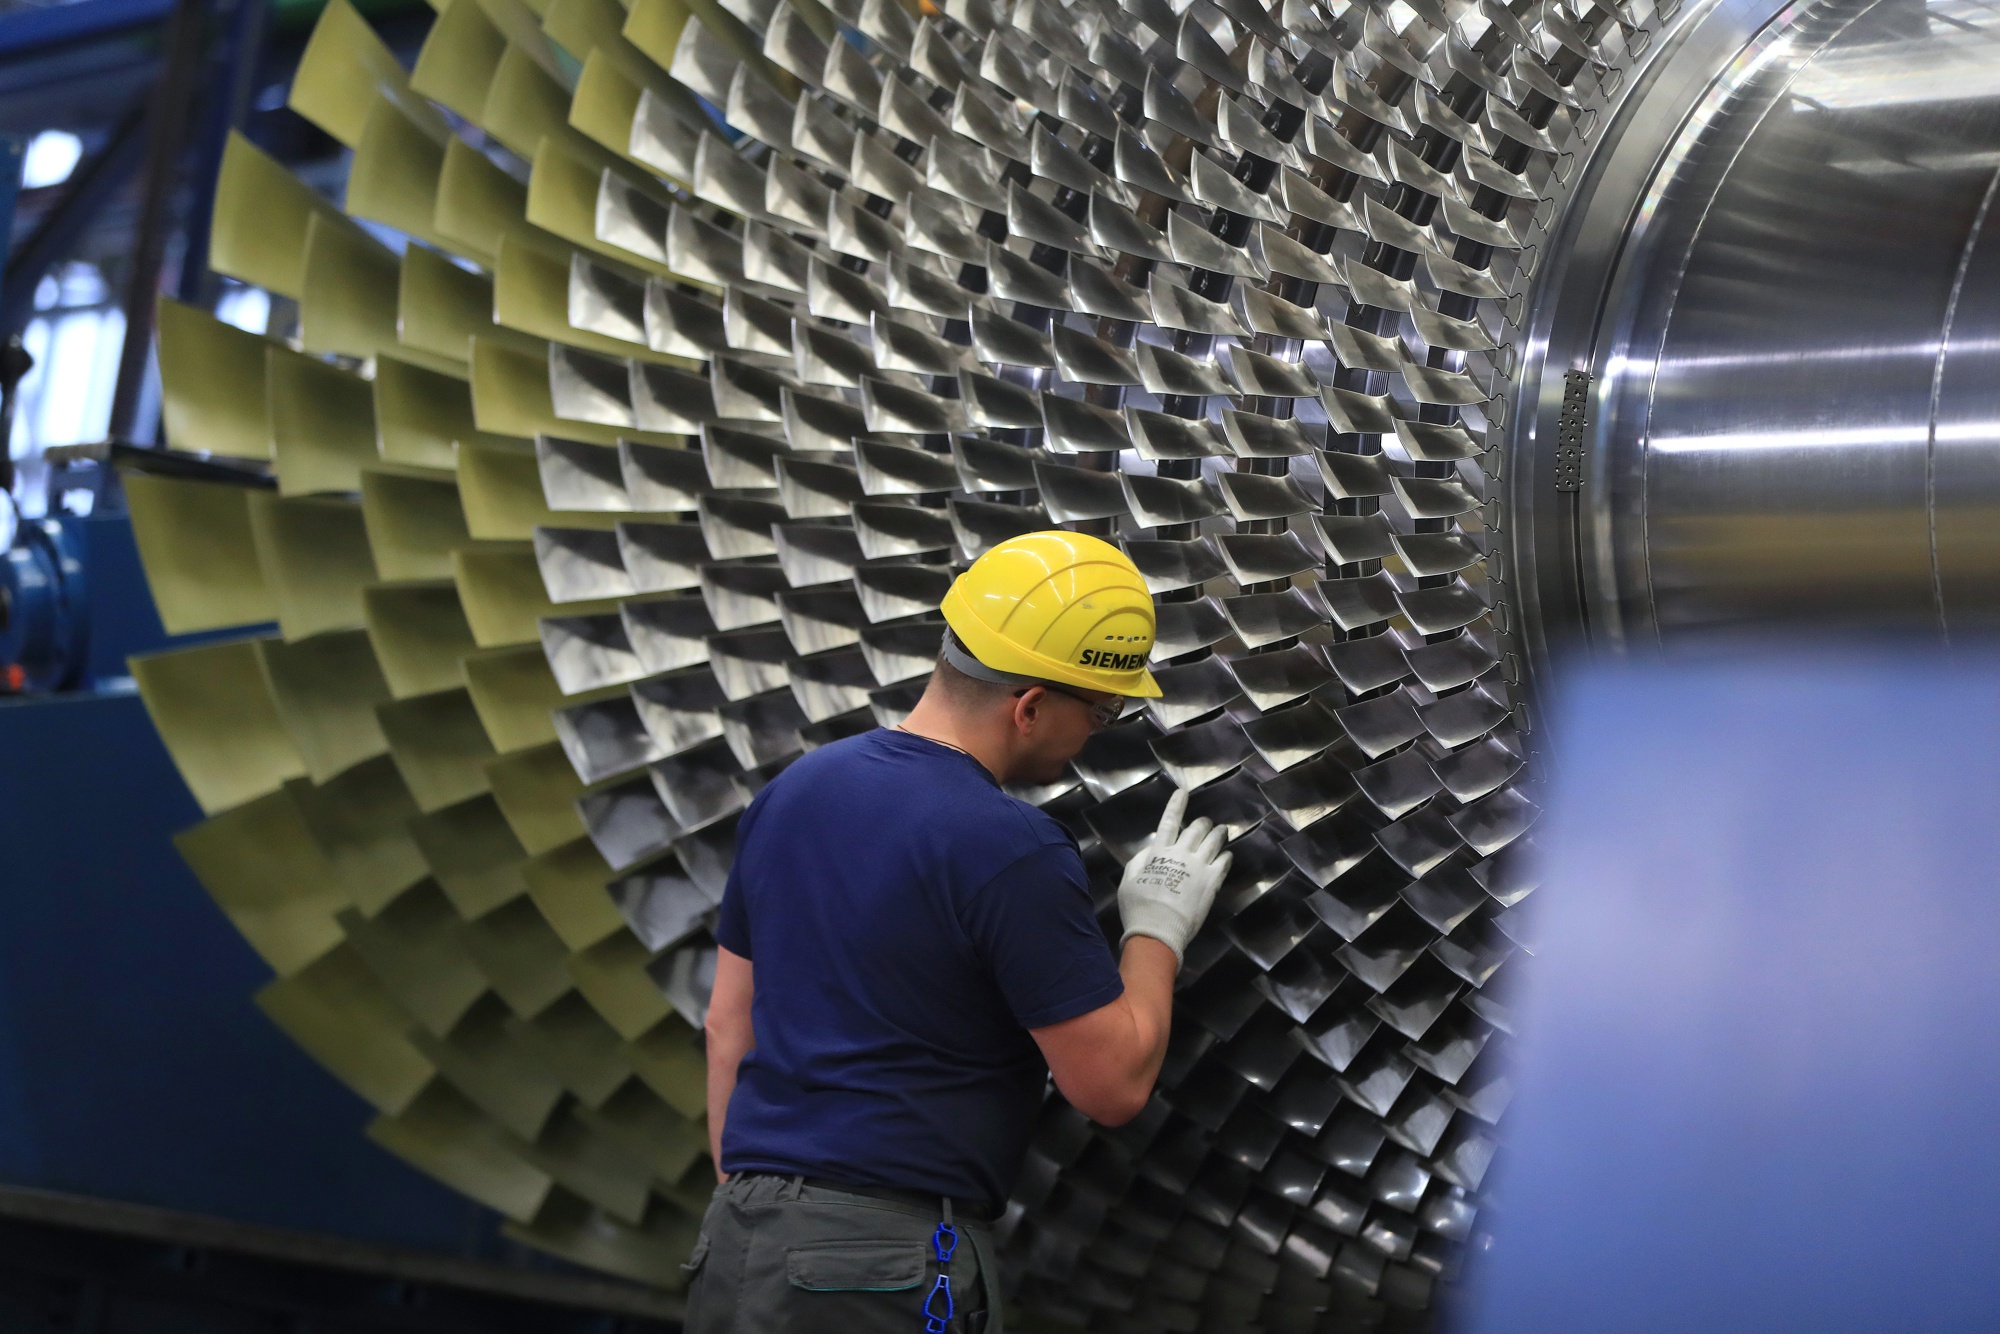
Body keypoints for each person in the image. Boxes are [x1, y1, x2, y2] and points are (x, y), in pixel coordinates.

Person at [682, 530, 1233, 1333]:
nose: (1097, 733)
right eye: (1103, 708)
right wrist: (1156, 928)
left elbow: (728, 1018)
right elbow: (1109, 1086)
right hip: (879, 1267)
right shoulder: (1006, 845)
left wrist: (751, 1201)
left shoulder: (796, 791)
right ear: (1031, 706)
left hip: (739, 1242)